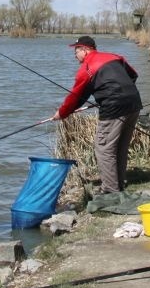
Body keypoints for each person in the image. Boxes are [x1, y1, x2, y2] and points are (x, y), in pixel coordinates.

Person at [51, 36, 142, 195]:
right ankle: (119, 183)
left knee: (104, 148)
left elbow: (75, 97)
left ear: (85, 50)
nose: (75, 55)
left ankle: (110, 190)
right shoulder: (114, 57)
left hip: (114, 108)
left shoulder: (86, 68)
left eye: (76, 50)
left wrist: (61, 113)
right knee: (120, 146)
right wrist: (110, 94)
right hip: (134, 102)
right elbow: (133, 75)